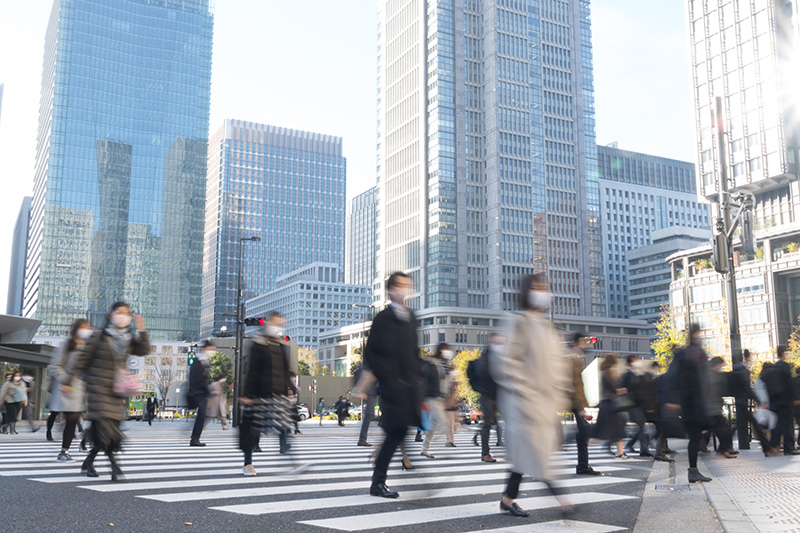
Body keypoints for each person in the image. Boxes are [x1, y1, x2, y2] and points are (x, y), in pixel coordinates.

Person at [492, 274, 571, 517]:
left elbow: (556, 365)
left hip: (543, 405)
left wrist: (559, 392)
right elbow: (505, 363)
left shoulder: (546, 326)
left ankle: (507, 499)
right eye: (538, 288)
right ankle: (563, 501)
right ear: (526, 292)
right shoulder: (518, 322)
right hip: (524, 404)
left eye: (545, 288)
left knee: (526, 457)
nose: (544, 292)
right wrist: (526, 389)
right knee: (538, 456)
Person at [64, 302, 150, 481]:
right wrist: (67, 381)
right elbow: (81, 360)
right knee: (105, 429)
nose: (123, 316)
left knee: (109, 430)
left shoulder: (128, 339)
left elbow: (144, 350)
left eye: (126, 313)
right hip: (97, 389)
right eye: (119, 312)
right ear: (110, 315)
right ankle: (114, 465)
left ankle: (88, 462)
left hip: (116, 391)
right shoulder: (98, 337)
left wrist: (141, 329)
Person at [364, 272, 421, 499]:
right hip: (391, 386)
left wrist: (419, 373)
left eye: (407, 286)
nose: (404, 289)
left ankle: (379, 480)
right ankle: (378, 482)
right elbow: (371, 353)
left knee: (397, 432)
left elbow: (414, 351)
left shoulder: (410, 316)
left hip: (408, 386)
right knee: (397, 430)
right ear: (390, 290)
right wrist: (387, 375)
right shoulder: (382, 318)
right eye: (399, 286)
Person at [239, 312, 293, 476]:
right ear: (268, 323)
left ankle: (292, 461)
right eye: (276, 322)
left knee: (284, 426)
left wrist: (288, 391)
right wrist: (247, 394)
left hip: (278, 394)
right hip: (260, 393)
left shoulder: (282, 346)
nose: (278, 326)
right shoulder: (258, 344)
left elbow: (285, 372)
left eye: (281, 323)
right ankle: (247, 464)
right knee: (253, 430)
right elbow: (252, 371)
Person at [664, 323, 714, 483]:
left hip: (694, 402)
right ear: (696, 333)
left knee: (696, 435)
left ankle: (693, 470)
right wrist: (675, 400)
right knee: (696, 435)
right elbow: (675, 377)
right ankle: (693, 471)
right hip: (692, 402)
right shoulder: (690, 353)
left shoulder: (690, 352)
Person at [45, 319, 92, 461]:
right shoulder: (67, 344)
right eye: (83, 327)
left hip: (85, 388)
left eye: (88, 328)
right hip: (68, 388)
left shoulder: (90, 346)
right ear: (76, 329)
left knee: (87, 419)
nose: (87, 330)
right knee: (73, 419)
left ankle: (80, 445)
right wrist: (65, 380)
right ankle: (64, 451)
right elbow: (56, 365)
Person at [564, 333, 600, 474]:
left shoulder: (575, 357)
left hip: (573, 402)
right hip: (572, 401)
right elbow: (575, 385)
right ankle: (582, 465)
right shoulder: (572, 358)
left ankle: (583, 465)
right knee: (583, 431)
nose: (587, 344)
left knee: (583, 432)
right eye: (585, 342)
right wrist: (580, 407)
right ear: (577, 342)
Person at [467, 332, 504, 463]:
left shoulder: (498, 357)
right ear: (489, 343)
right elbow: (485, 374)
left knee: (506, 421)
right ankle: (485, 453)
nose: (500, 346)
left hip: (499, 395)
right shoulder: (485, 358)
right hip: (488, 395)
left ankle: (508, 447)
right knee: (487, 424)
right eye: (497, 343)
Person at [731, 350, 776, 455]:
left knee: (742, 425)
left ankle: (767, 448)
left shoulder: (738, 369)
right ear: (747, 358)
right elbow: (747, 389)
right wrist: (759, 401)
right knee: (749, 425)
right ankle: (767, 448)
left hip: (741, 401)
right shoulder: (743, 371)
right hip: (743, 401)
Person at [591, 354, 629, 459]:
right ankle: (617, 451)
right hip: (610, 405)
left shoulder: (605, 372)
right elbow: (613, 389)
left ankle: (619, 452)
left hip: (608, 404)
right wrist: (623, 390)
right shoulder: (607, 373)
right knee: (616, 428)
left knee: (617, 429)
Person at [420, 343, 454, 459]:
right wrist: (421, 399)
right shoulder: (430, 362)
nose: (448, 352)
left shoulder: (446, 365)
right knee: (443, 423)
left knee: (433, 426)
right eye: (446, 350)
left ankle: (425, 449)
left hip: (441, 399)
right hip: (431, 397)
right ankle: (424, 430)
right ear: (440, 350)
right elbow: (424, 381)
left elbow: (446, 382)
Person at [699, 356, 737, 458]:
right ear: (717, 364)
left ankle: (723, 449)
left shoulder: (705, 375)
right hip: (713, 408)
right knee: (726, 429)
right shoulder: (713, 376)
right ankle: (723, 449)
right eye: (721, 365)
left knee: (718, 429)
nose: (721, 367)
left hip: (709, 408)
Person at [766, 346, 800, 454]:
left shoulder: (774, 367)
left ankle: (773, 446)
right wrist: (793, 398)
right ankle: (789, 448)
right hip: (785, 401)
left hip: (776, 401)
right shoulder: (785, 366)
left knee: (778, 425)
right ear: (783, 353)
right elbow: (788, 384)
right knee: (788, 424)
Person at [623, 355, 651, 457]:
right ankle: (643, 449)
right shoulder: (627, 375)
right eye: (636, 360)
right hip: (633, 405)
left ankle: (630, 445)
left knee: (641, 427)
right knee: (641, 427)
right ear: (631, 362)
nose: (638, 362)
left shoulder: (637, 373)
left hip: (639, 404)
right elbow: (626, 389)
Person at [188, 341, 213, 447]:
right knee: (202, 414)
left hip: (202, 392)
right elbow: (193, 377)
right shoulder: (198, 360)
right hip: (198, 391)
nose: (212, 351)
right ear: (206, 348)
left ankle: (195, 438)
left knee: (202, 414)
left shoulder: (204, 361)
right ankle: (194, 438)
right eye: (211, 349)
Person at [355, 362, 378, 446]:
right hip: (370, 391)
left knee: (369, 414)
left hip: (372, 391)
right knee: (368, 414)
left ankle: (362, 439)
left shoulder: (368, 363)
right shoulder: (370, 364)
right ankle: (362, 439)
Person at [0, 371, 28, 435]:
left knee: (15, 417)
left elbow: (24, 393)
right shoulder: (8, 383)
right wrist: (1, 400)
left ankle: (5, 426)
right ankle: (11, 430)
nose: (17, 377)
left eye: (18, 376)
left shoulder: (22, 383)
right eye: (16, 376)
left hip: (19, 401)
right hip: (10, 401)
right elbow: (3, 392)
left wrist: (25, 400)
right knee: (12, 416)